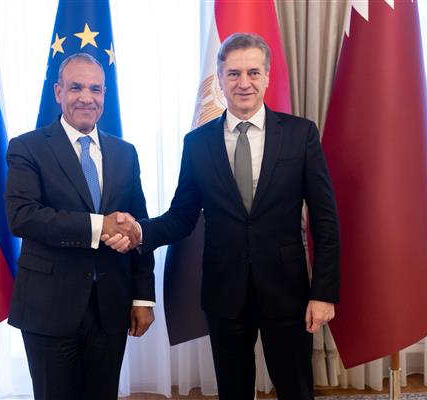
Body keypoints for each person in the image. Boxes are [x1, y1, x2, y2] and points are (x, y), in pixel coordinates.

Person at [103, 33, 340, 400]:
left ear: (267, 76)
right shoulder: (197, 143)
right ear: (220, 79)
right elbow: (182, 216)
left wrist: (323, 293)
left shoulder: (300, 135)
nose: (244, 83)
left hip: (287, 291)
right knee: (233, 390)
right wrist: (139, 231)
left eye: (253, 72)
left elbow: (325, 221)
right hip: (225, 293)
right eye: (233, 74)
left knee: (296, 389)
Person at [4, 53, 155, 400]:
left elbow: (139, 226)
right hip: (48, 308)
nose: (86, 97)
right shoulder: (27, 147)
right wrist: (99, 226)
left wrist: (143, 297)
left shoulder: (126, 153)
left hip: (110, 307)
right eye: (76, 88)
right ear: (58, 92)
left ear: (104, 95)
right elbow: (23, 216)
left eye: (95, 89)